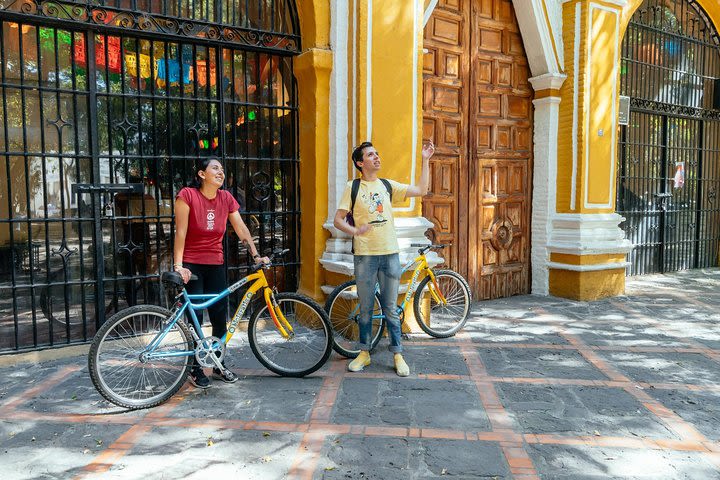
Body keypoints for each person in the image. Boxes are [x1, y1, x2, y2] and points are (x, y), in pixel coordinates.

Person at [332, 140, 435, 376]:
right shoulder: (353, 187)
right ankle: (364, 353)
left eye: (377, 153)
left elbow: (421, 190)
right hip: (365, 256)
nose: (377, 157)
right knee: (366, 307)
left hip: (390, 254)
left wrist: (425, 159)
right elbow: (338, 219)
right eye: (370, 155)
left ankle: (398, 354)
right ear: (360, 162)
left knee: (390, 307)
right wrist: (354, 231)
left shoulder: (387, 185)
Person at [174, 158, 269, 389]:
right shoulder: (187, 195)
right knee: (195, 320)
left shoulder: (225, 198)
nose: (221, 172)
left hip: (215, 263)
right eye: (215, 168)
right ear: (201, 174)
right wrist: (179, 266)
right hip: (192, 264)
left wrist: (256, 255)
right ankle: (195, 369)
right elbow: (181, 232)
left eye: (222, 169)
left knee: (219, 317)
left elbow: (241, 228)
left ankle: (218, 363)